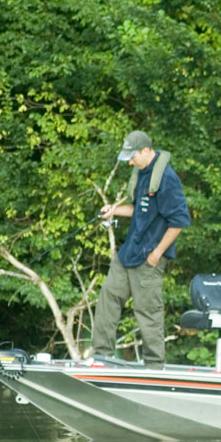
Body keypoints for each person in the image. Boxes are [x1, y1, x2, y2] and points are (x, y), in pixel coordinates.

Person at [93, 130, 190, 369]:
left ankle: (154, 367)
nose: (129, 162)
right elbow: (138, 209)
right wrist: (113, 210)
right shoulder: (142, 172)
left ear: (146, 150)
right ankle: (100, 357)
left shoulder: (166, 178)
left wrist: (157, 253)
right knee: (108, 299)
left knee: (147, 311)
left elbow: (179, 221)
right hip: (129, 252)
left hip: (149, 258)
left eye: (132, 156)